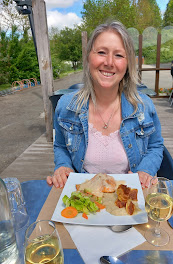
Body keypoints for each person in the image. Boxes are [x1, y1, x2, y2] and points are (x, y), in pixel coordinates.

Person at [47, 20, 164, 190]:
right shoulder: (65, 106)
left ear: (128, 63)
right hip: (84, 197)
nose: (109, 62)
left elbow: (155, 146)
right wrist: (63, 165)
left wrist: (146, 170)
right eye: (101, 52)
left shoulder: (144, 106)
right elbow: (60, 145)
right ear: (88, 57)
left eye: (118, 55)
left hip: (128, 196)